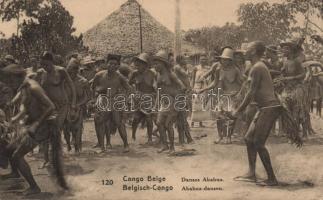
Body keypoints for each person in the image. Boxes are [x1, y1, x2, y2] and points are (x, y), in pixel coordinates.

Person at [232, 41, 302, 186]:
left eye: (248, 48)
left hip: (269, 108)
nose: (244, 50)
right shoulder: (255, 67)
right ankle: (251, 173)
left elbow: (251, 92)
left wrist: (237, 111)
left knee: (258, 142)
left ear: (254, 52)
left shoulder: (257, 67)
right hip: (264, 108)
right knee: (248, 138)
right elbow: (249, 88)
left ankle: (272, 178)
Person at [0, 64, 68, 195]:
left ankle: (34, 187)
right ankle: (15, 173)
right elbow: (28, 107)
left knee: (16, 156)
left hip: (45, 126)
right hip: (37, 125)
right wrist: (16, 118)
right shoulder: (24, 87)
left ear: (17, 77)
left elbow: (51, 107)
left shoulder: (33, 87)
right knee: (10, 149)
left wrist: (36, 124)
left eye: (10, 80)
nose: (9, 84)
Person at [39, 51, 76, 167]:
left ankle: (57, 157)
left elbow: (72, 86)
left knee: (55, 130)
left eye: (47, 64)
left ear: (52, 62)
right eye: (43, 65)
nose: (45, 67)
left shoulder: (61, 71)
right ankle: (46, 159)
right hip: (47, 106)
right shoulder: (40, 73)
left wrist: (73, 103)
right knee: (44, 131)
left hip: (62, 105)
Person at [198, 48, 243, 144]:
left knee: (230, 118)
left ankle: (228, 136)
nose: (224, 61)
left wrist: (239, 93)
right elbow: (214, 83)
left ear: (230, 60)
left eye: (226, 59)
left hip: (232, 96)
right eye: (222, 59)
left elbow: (242, 83)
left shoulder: (235, 70)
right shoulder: (218, 69)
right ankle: (220, 136)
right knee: (219, 117)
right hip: (221, 96)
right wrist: (204, 89)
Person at [92, 54, 131, 153]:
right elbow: (92, 87)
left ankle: (126, 144)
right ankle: (102, 147)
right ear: (106, 64)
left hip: (115, 101)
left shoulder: (120, 77)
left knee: (119, 123)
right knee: (99, 122)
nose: (112, 66)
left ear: (118, 66)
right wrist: (95, 98)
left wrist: (123, 100)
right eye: (110, 63)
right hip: (103, 100)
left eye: (115, 64)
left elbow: (129, 89)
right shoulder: (99, 75)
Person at [153, 50, 186, 153]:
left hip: (173, 102)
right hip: (164, 102)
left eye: (157, 63)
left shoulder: (171, 74)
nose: (155, 66)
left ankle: (172, 147)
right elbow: (159, 91)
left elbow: (182, 86)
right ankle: (164, 145)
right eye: (154, 63)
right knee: (159, 123)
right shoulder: (158, 75)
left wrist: (178, 97)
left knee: (168, 125)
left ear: (163, 64)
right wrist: (156, 104)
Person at [63, 58, 91, 154]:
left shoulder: (83, 81)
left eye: (74, 69)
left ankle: (77, 147)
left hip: (78, 107)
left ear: (77, 69)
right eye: (70, 69)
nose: (72, 71)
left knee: (77, 128)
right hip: (65, 107)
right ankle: (68, 144)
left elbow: (88, 96)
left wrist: (78, 104)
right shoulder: (63, 81)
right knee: (66, 129)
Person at [128, 53, 156, 144]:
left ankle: (150, 138)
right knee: (136, 118)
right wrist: (133, 92)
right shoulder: (134, 73)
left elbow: (156, 86)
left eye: (140, 63)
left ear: (146, 64)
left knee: (148, 118)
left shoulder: (152, 74)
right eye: (137, 63)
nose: (137, 65)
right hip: (138, 98)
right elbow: (128, 84)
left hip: (149, 97)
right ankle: (133, 135)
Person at [174, 55, 194, 144]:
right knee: (181, 118)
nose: (186, 60)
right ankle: (185, 138)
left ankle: (185, 138)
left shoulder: (180, 67)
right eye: (184, 59)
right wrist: (189, 69)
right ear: (180, 60)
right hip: (180, 94)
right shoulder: (177, 67)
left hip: (184, 93)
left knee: (183, 118)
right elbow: (187, 74)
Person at [191, 54, 211, 127]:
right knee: (195, 105)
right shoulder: (196, 68)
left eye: (205, 59)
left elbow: (210, 78)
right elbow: (193, 78)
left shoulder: (208, 68)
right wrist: (192, 88)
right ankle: (192, 122)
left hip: (204, 87)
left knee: (202, 105)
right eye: (202, 59)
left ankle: (200, 123)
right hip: (197, 86)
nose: (203, 61)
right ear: (199, 60)